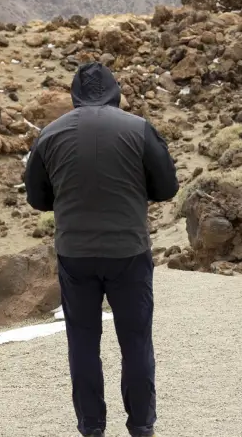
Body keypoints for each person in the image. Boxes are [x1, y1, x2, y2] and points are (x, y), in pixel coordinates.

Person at [25, 62, 179, 437]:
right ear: (115, 92)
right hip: (128, 251)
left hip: (75, 253)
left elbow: (37, 199)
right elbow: (167, 188)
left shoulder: (50, 134)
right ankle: (141, 425)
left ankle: (91, 426)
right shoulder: (139, 128)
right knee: (136, 342)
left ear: (75, 95)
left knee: (82, 342)